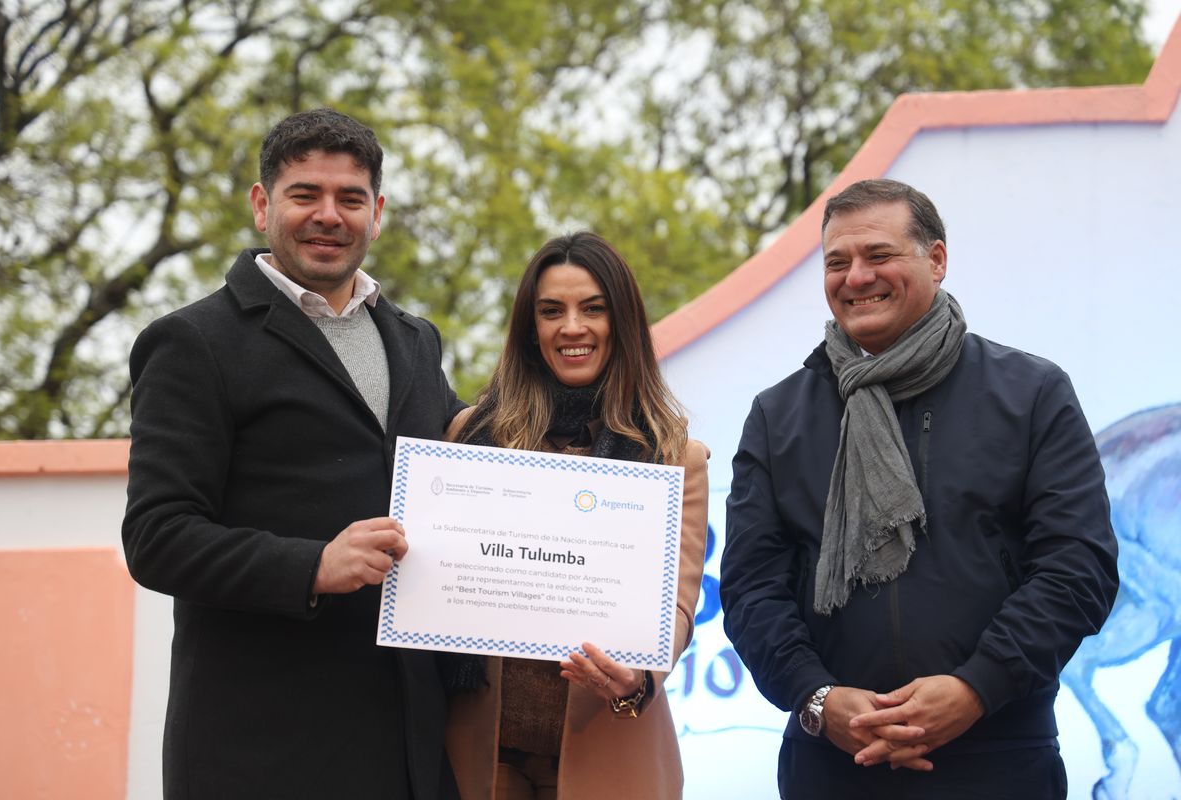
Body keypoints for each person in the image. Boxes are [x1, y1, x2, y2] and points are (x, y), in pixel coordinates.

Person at [720, 178, 1119, 799]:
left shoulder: (1031, 394)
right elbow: (750, 588)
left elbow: (1078, 567)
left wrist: (978, 687)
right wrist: (818, 698)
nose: (856, 277)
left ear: (936, 259)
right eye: (837, 262)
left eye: (878, 255)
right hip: (832, 765)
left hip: (1000, 758)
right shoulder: (779, 416)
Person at [122, 108, 465, 799]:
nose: (328, 215)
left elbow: (471, 470)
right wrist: (313, 565)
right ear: (261, 204)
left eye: (350, 198)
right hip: (262, 753)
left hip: (408, 752)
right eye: (305, 194)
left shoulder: (415, 341)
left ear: (378, 212)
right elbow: (157, 537)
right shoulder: (193, 343)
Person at [443, 231, 709, 800]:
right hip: (481, 757)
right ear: (530, 329)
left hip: (610, 746)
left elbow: (680, 603)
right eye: (551, 311)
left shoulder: (672, 455)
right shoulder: (472, 439)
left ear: (624, 323)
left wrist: (641, 675)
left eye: (593, 308)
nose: (572, 327)